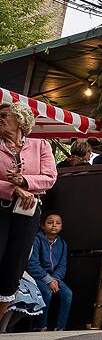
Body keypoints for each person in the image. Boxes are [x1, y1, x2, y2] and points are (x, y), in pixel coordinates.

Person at [0, 102, 57, 318]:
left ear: (21, 120)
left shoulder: (40, 145)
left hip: (28, 212)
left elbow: (50, 178)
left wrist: (24, 181)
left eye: (5, 115)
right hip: (1, 208)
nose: (1, 119)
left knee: (14, 267)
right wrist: (12, 189)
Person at [27, 212, 71, 331]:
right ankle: (41, 326)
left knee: (67, 294)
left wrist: (55, 279)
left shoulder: (62, 244)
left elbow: (62, 266)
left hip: (54, 278)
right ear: (43, 225)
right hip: (38, 276)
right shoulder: (36, 240)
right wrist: (48, 279)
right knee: (46, 292)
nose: (54, 225)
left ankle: (60, 328)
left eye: (58, 223)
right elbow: (32, 264)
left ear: (61, 227)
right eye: (50, 222)